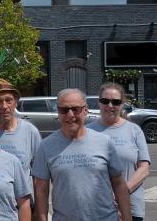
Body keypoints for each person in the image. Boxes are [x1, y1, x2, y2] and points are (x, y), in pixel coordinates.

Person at [32, 88, 131, 221]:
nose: (70, 115)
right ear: (58, 112)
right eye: (64, 110)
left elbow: (119, 184)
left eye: (76, 109)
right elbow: (41, 190)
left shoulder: (104, 142)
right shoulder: (46, 146)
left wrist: (127, 218)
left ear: (85, 110)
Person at [87, 82, 150, 221]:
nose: (110, 106)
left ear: (122, 104)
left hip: (131, 206)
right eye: (105, 101)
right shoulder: (87, 131)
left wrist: (121, 193)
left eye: (115, 102)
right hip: (97, 208)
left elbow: (144, 169)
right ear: (99, 103)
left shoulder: (134, 131)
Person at [0, 79, 41, 194]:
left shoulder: (29, 131)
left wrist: (39, 209)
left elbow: (39, 174)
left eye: (9, 100)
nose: (4, 106)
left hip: (23, 205)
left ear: (15, 103)